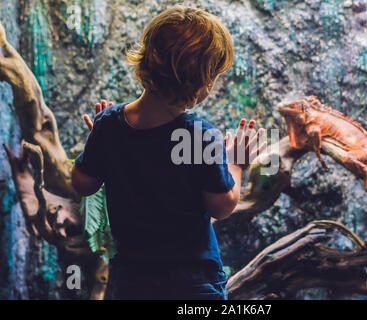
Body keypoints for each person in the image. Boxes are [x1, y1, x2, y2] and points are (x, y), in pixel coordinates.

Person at [71, 5, 266, 299]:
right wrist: (237, 163)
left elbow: (83, 183)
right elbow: (221, 206)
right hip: (192, 284)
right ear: (202, 83)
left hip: (132, 282)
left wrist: (101, 144)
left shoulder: (109, 124)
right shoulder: (200, 136)